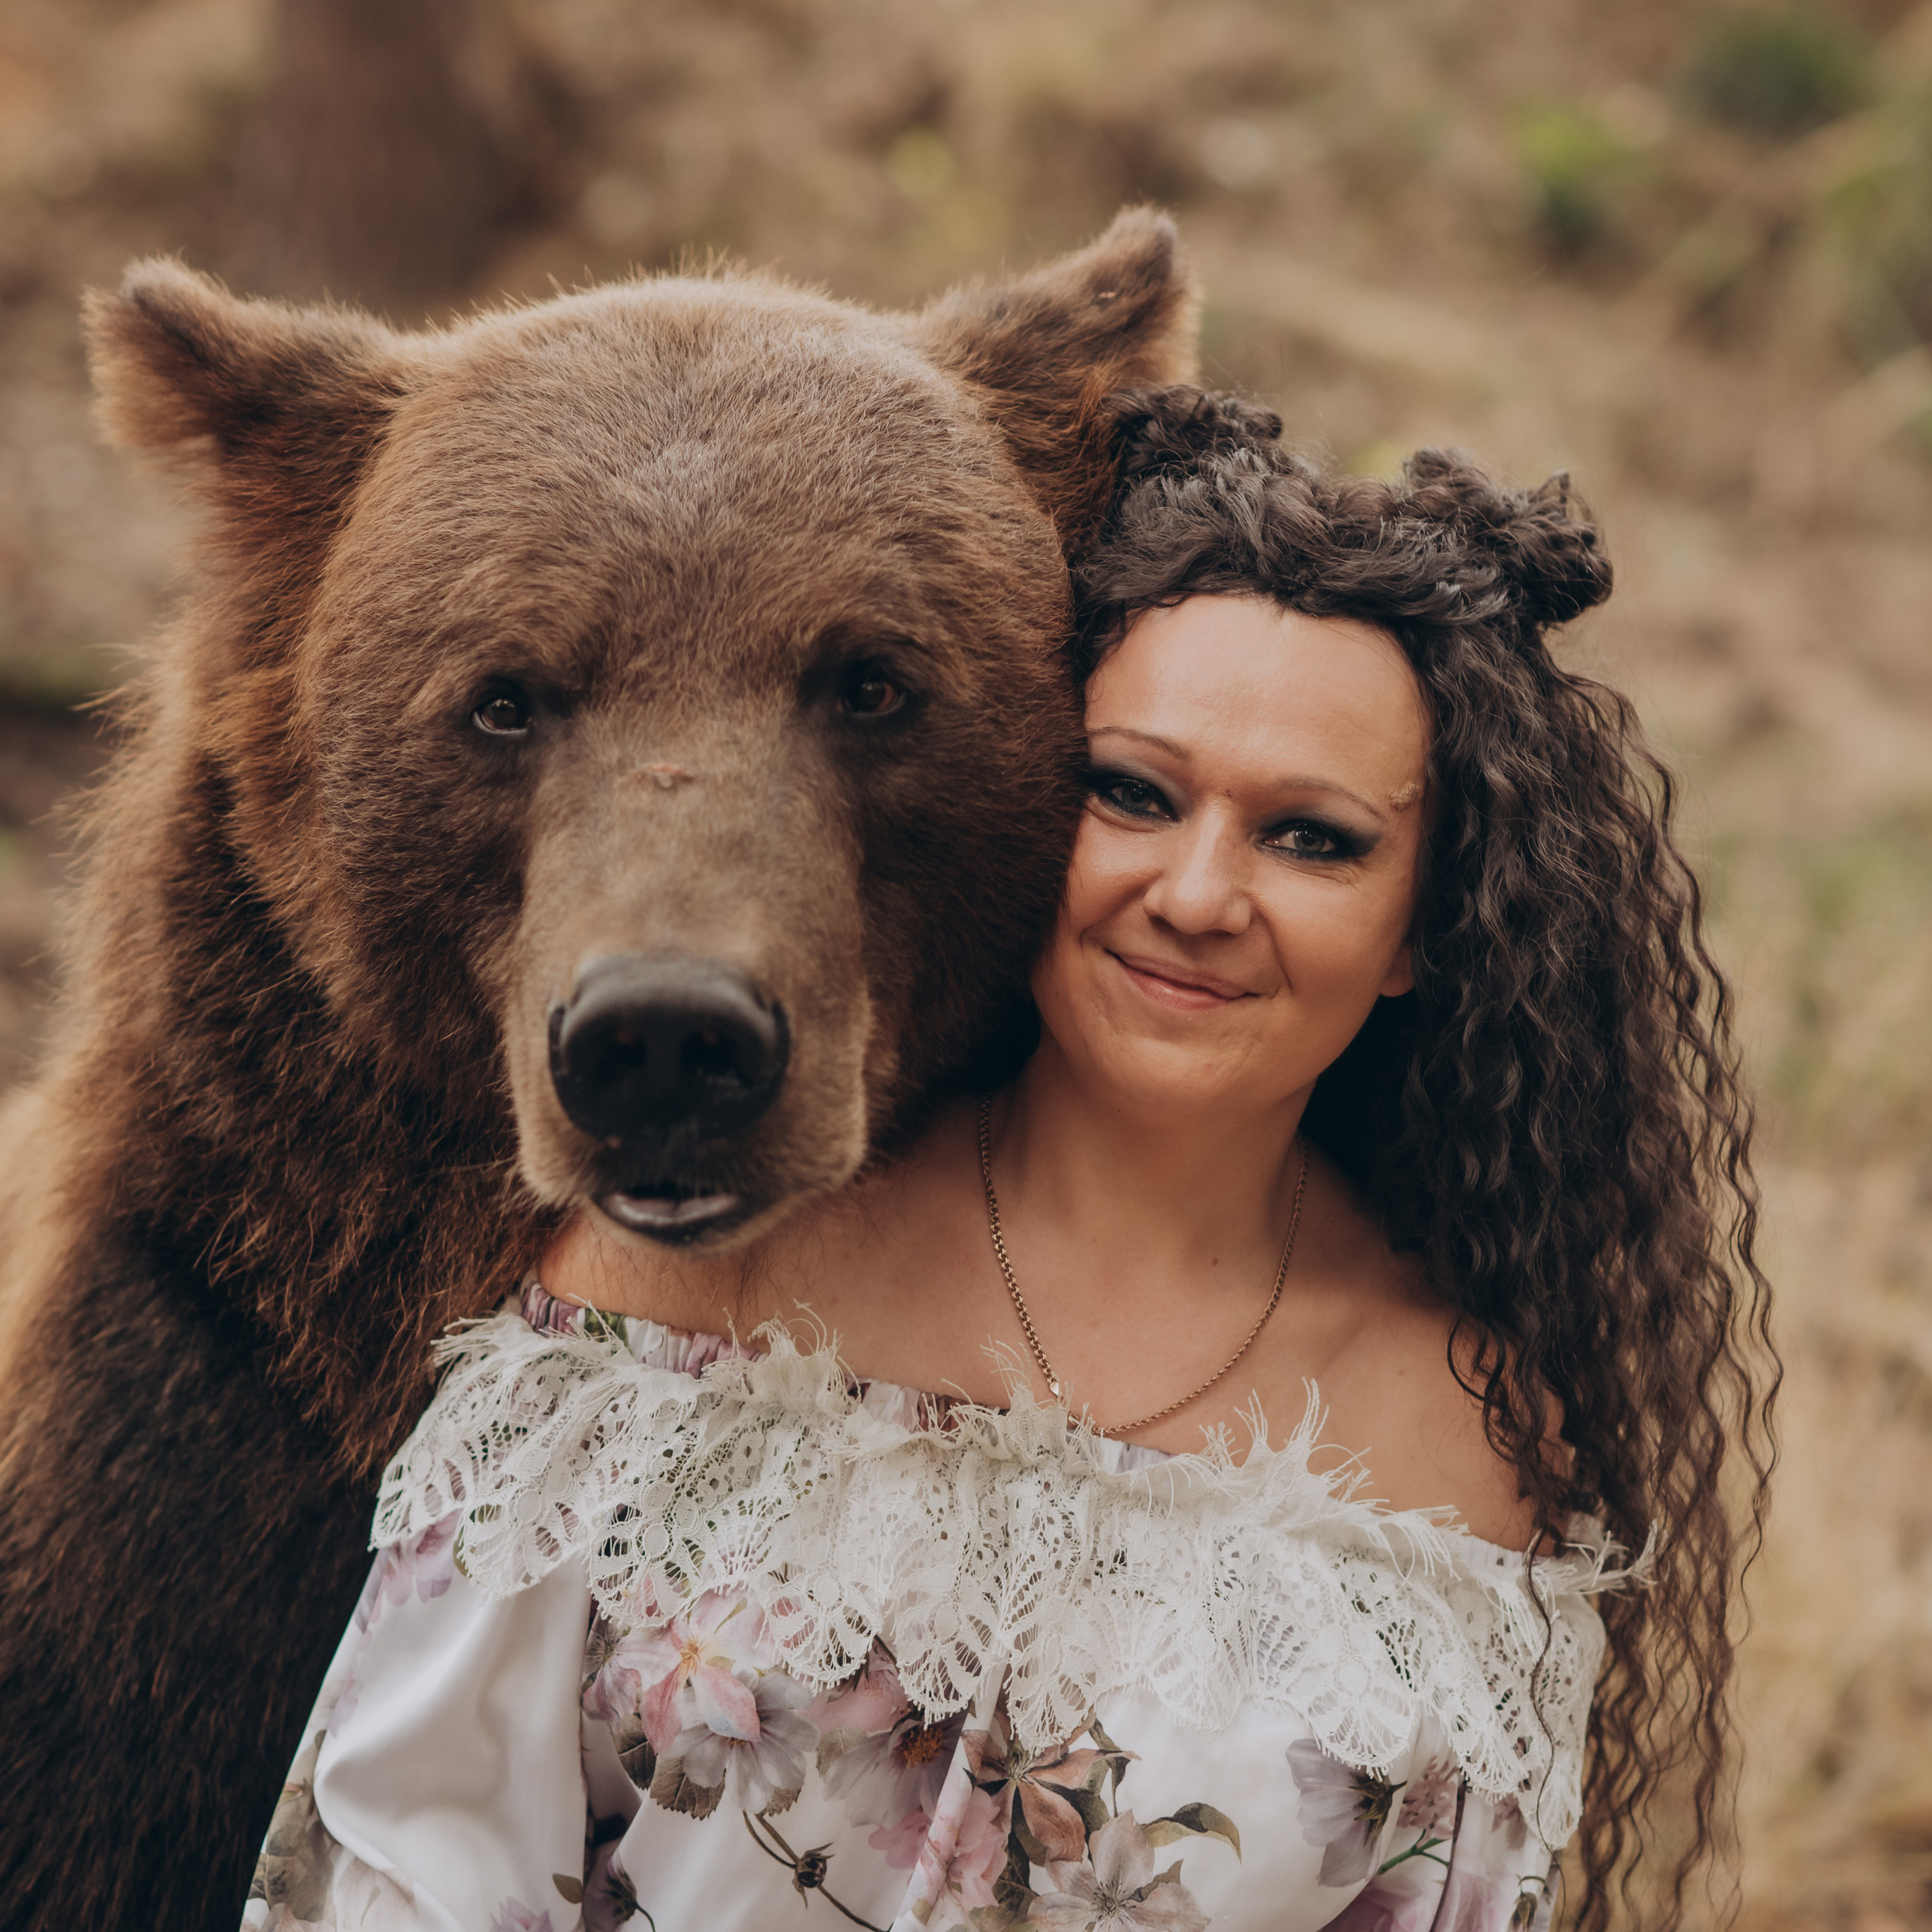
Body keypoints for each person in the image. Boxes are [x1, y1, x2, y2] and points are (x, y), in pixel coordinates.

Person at [244, 393, 1774, 1932]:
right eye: (1133, 791)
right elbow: (402, 1864)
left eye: (1308, 837)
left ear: (1426, 927)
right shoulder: (690, 1275)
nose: (1194, 890)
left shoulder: (1465, 1437)